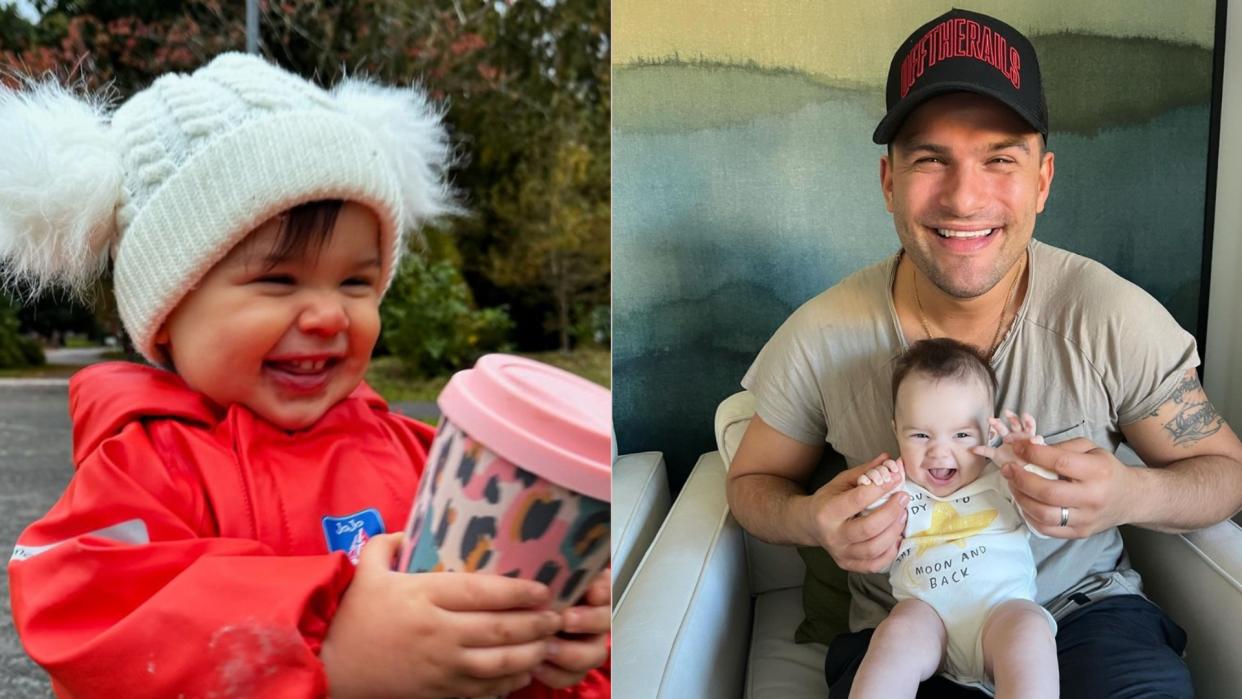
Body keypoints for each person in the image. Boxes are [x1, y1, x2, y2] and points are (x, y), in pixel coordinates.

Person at [1, 53, 609, 698]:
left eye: (357, 281)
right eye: (277, 280)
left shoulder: (425, 456)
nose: (327, 314)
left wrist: (560, 644)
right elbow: (93, 621)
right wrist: (334, 653)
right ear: (168, 311)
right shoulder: (142, 470)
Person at [725, 7, 1242, 699]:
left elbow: (1225, 474)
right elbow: (750, 483)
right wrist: (810, 520)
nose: (965, 198)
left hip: (1086, 615)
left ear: (1043, 180)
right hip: (908, 633)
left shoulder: (1110, 315)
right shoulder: (821, 334)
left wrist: (1128, 491)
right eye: (930, 158)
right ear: (888, 182)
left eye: (1000, 158)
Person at [850, 338, 1056, 698]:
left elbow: (1048, 517)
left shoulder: (1003, 481)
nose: (939, 451)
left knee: (1031, 632)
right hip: (927, 619)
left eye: (961, 435)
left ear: (990, 434)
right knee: (894, 635)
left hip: (1001, 612)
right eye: (919, 435)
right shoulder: (897, 490)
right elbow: (873, 551)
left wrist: (1030, 465)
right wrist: (869, 493)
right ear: (896, 429)